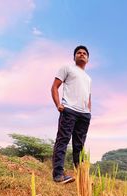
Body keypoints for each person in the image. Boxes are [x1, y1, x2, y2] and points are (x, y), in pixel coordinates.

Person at [51, 45, 91, 183]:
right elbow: (54, 87)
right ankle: (58, 175)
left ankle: (82, 178)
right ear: (74, 57)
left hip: (84, 114)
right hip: (69, 110)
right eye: (78, 53)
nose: (81, 54)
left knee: (79, 147)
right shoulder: (67, 68)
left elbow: (88, 96)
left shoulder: (88, 78)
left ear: (88, 59)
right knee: (63, 140)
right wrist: (58, 104)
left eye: (84, 53)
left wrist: (89, 111)